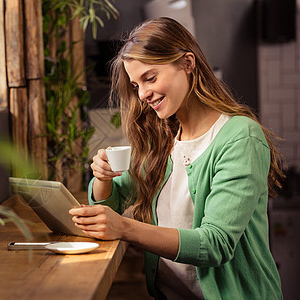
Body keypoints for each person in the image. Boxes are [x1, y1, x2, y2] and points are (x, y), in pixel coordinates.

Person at [69, 17, 284, 299]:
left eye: (150, 77)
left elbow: (214, 244)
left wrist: (125, 228)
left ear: (187, 64)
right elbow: (112, 201)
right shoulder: (163, 137)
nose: (143, 94)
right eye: (136, 85)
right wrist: (103, 178)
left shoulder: (240, 137)